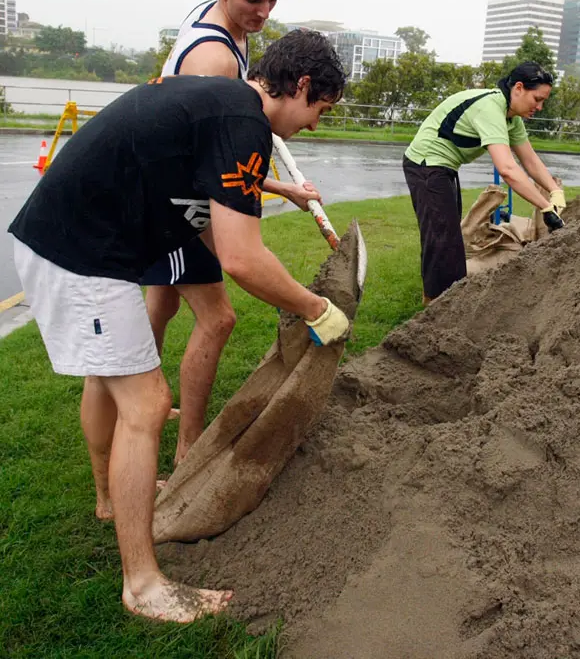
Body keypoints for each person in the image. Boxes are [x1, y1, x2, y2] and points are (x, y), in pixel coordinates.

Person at [8, 30, 350, 623]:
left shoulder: (223, 108)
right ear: (300, 87)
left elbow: (221, 235)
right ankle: (142, 586)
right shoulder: (241, 123)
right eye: (321, 109)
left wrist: (285, 295)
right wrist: (314, 308)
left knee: (120, 387)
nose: (317, 125)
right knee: (146, 405)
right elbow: (242, 258)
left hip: (77, 239)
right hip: (80, 250)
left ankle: (111, 502)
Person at [144, 0, 321, 466]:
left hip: (177, 186)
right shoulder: (214, 60)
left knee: (163, 303)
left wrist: (281, 187)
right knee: (218, 318)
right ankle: (188, 447)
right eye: (253, 1)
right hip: (168, 199)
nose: (264, 13)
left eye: (273, 1)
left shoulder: (230, 26)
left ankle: (145, 393)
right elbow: (213, 162)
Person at [403, 62, 565, 304]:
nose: (539, 107)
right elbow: (508, 169)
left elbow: (530, 161)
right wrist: (545, 207)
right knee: (442, 241)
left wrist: (554, 191)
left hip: (444, 167)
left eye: (543, 101)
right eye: (537, 99)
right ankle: (435, 308)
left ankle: (442, 304)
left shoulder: (512, 119)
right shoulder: (490, 108)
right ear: (518, 88)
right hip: (426, 163)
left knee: (448, 240)